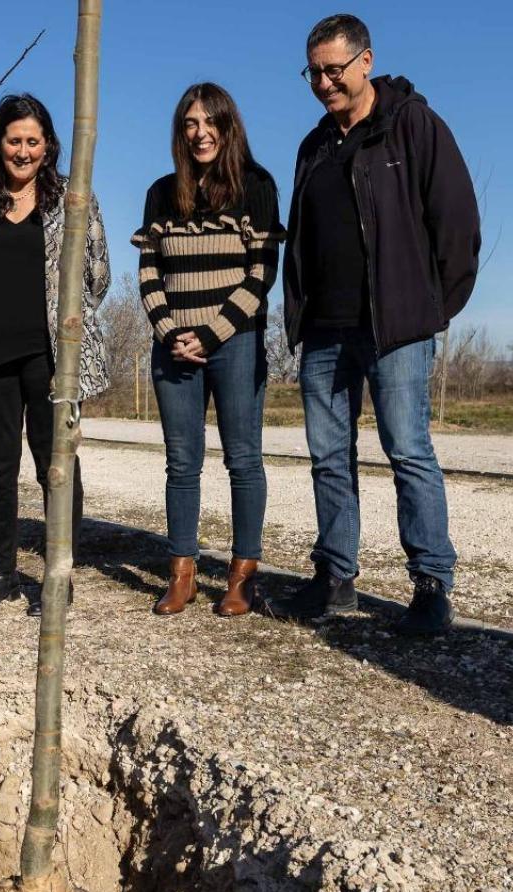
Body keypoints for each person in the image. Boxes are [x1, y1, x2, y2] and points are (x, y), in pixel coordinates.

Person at [267, 14, 481, 633]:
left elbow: (458, 221)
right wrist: (300, 312)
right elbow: (303, 237)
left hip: (396, 328)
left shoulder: (411, 123)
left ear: (366, 61)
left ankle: (432, 586)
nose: (325, 82)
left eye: (335, 69)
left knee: (408, 451)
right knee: (328, 458)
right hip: (325, 331)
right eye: (314, 72)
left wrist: (432, 307)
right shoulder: (314, 144)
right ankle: (336, 579)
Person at [0, 93, 110, 616]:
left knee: (56, 466)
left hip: (53, 356)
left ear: (49, 145)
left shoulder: (74, 196)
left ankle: (58, 576)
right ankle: (1, 572)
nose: (23, 152)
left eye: (33, 142)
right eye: (13, 140)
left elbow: (98, 274)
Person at [133, 83, 281, 617]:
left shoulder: (257, 187)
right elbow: (149, 271)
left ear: (227, 125)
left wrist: (214, 332)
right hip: (173, 346)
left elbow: (262, 273)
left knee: (243, 458)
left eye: (209, 122)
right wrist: (170, 331)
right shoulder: (161, 192)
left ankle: (242, 577)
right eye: (190, 124)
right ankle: (182, 572)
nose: (200, 133)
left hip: (235, 342)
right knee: (182, 463)